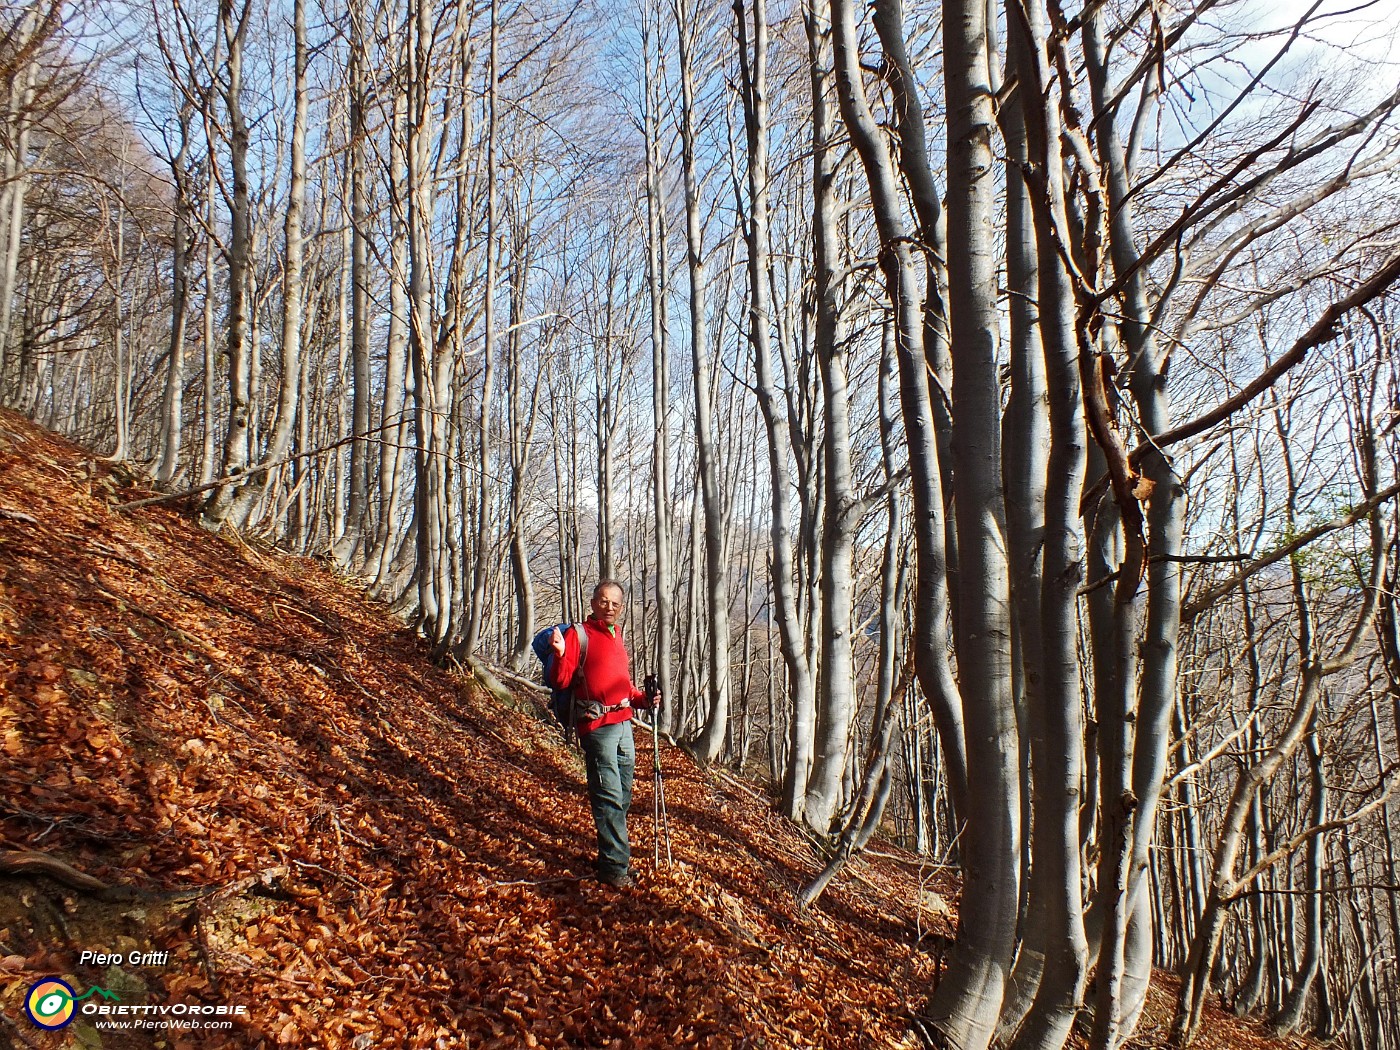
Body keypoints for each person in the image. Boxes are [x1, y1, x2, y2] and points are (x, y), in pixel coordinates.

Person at [548, 579, 660, 888]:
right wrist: (559, 654)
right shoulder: (578, 634)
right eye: (603, 601)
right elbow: (561, 681)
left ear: (621, 608)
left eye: (615, 603)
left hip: (623, 724)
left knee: (622, 795)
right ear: (593, 602)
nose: (609, 607)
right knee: (608, 795)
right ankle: (613, 870)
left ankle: (612, 855)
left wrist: (643, 699)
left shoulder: (616, 635)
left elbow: (623, 685)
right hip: (596, 726)